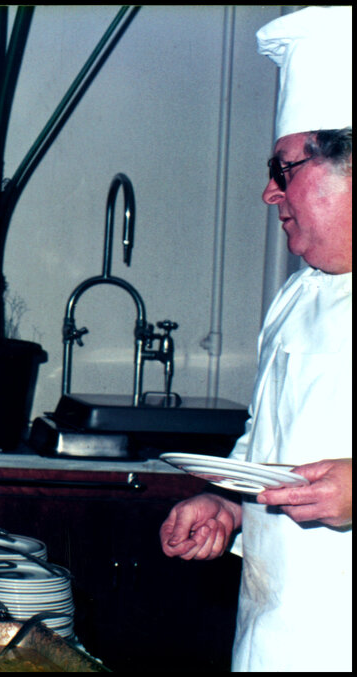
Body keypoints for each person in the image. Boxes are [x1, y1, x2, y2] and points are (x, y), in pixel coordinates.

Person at [159, 7, 351, 672]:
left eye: (285, 166)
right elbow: (267, 445)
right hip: (269, 638)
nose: (270, 192)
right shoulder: (297, 295)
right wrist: (230, 505)